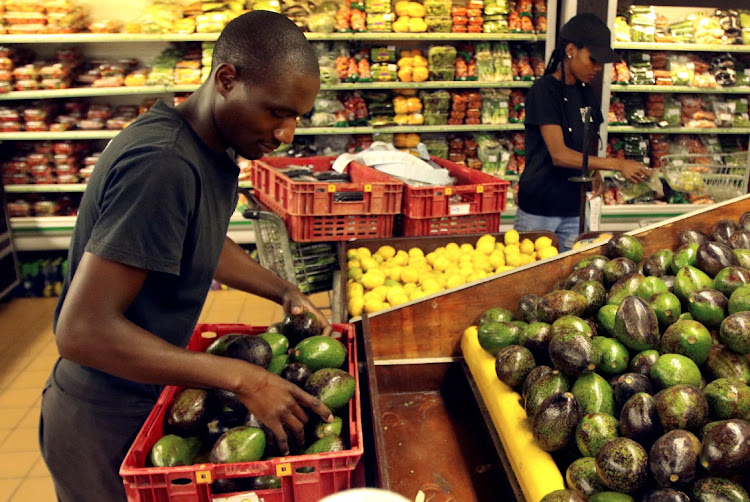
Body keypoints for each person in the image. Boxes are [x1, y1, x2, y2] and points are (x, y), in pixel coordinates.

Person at [39, 11, 334, 502]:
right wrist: (242, 377)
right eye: (277, 111)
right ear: (226, 79)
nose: (287, 133)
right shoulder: (162, 164)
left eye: (297, 117)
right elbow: (80, 331)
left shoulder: (207, 149)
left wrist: (282, 289)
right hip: (103, 415)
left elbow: (195, 239)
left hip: (144, 390)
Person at [514, 13, 652, 252]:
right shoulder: (543, 91)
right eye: (593, 59)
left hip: (574, 205)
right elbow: (560, 154)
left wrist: (594, 170)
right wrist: (617, 164)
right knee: (532, 272)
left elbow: (587, 141)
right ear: (571, 50)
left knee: (573, 273)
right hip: (540, 207)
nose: (597, 68)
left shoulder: (587, 92)